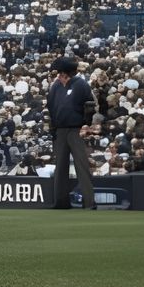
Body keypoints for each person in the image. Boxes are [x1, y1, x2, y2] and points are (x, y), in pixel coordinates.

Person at [46, 55, 97, 210]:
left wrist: (86, 125)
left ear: (67, 73)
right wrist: (52, 128)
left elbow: (89, 105)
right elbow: (50, 107)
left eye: (61, 73)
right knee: (60, 166)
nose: (59, 76)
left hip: (76, 129)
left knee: (82, 165)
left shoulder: (81, 84)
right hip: (60, 130)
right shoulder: (55, 86)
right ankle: (60, 202)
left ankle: (89, 203)